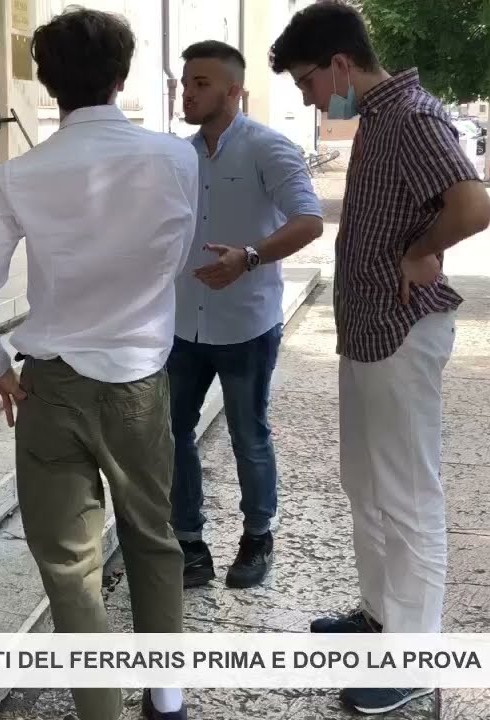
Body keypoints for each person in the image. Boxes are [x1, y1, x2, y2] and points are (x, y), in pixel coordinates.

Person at [0, 9, 199, 720]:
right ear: (121, 76)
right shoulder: (177, 159)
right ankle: (167, 697)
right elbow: (175, 258)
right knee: (154, 540)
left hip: (51, 385)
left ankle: (99, 709)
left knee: (69, 567)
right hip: (139, 379)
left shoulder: (19, 174)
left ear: (47, 82)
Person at [269, 2, 490, 715]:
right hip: (369, 330)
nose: (311, 98)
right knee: (365, 484)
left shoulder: (411, 116)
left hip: (402, 330)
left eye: (308, 81)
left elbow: (472, 207)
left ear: (340, 64)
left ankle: (414, 657)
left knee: (407, 495)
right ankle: (379, 619)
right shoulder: (379, 116)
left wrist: (421, 250)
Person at [169, 40, 324, 590]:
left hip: (245, 325)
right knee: (171, 433)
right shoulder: (179, 155)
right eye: (184, 83)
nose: (187, 93)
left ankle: (257, 536)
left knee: (247, 434)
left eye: (201, 83)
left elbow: (309, 220)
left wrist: (250, 256)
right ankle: (189, 543)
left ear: (234, 90)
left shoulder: (268, 147)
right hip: (182, 325)